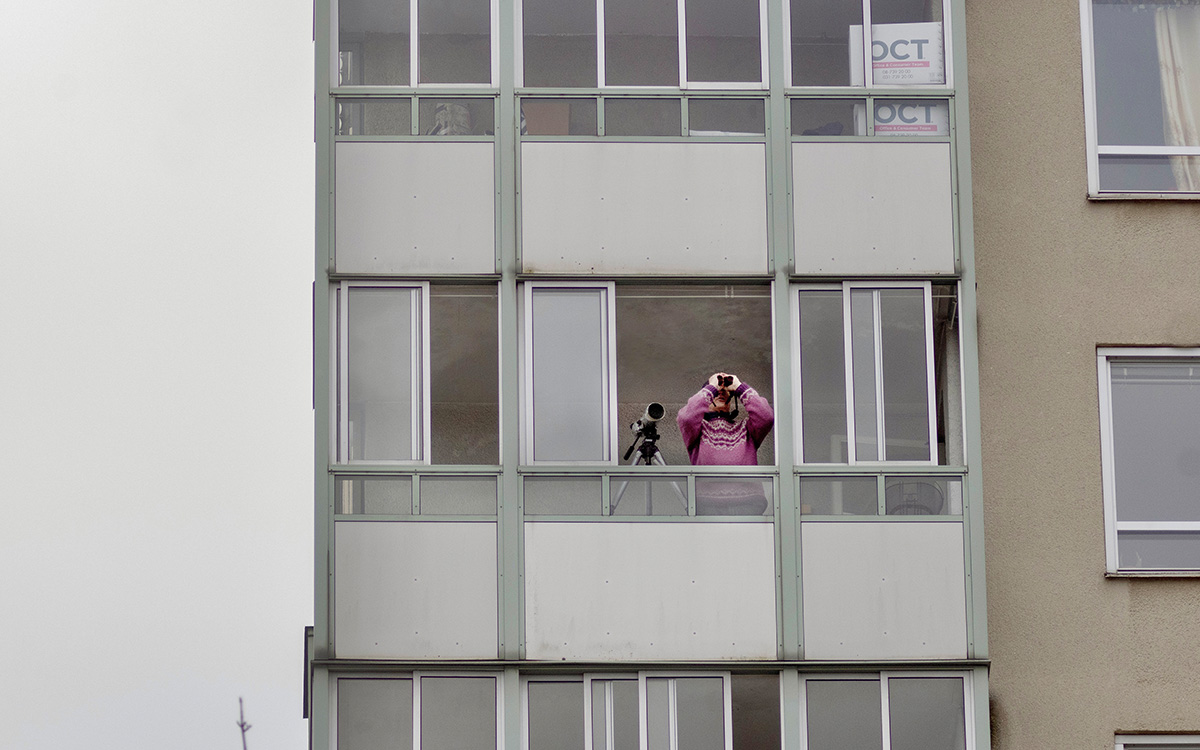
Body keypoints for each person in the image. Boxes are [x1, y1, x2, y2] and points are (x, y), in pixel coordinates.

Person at [677, 372, 775, 514]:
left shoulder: (746, 429)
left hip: (748, 503)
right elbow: (686, 418)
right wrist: (711, 387)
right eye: (717, 391)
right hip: (706, 504)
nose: (721, 393)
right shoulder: (698, 430)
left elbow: (766, 416)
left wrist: (739, 387)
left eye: (726, 392)